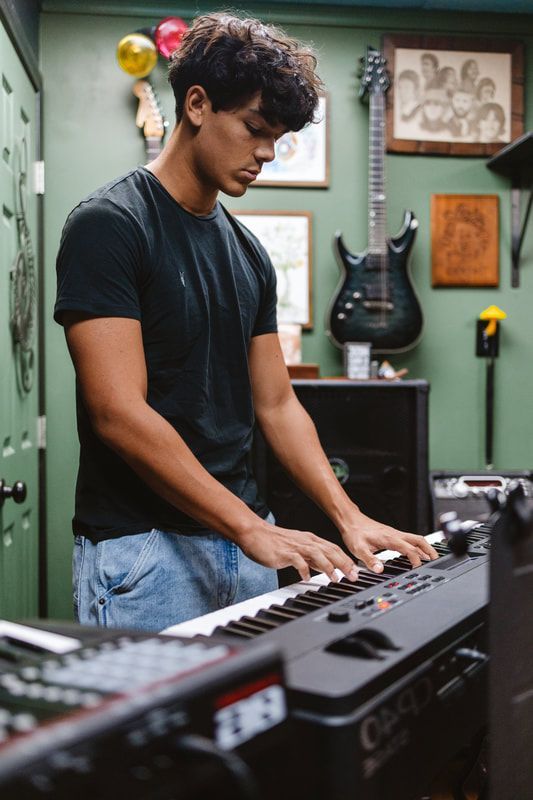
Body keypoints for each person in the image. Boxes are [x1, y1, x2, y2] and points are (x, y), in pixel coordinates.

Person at [54, 12, 437, 633]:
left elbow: (278, 404)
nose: (267, 154)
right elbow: (117, 412)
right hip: (147, 554)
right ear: (198, 104)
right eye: (256, 129)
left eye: (278, 138)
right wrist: (252, 528)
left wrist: (347, 515)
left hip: (248, 549)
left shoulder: (248, 253)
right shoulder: (110, 225)